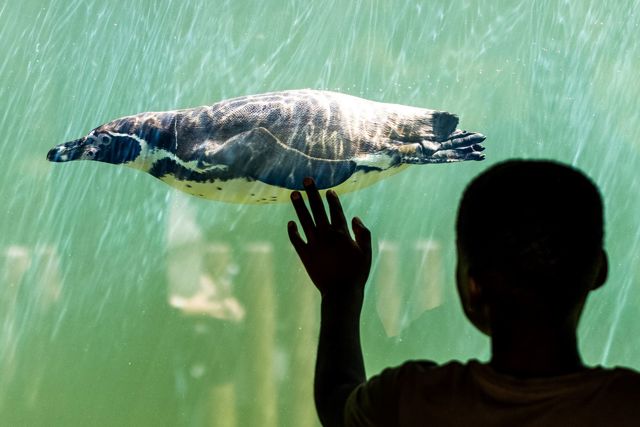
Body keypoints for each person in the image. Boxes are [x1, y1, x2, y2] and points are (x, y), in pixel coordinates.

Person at [287, 160, 640, 427]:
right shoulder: (627, 405)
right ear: (599, 271)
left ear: (472, 285)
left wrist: (341, 292)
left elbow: (337, 404)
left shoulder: (412, 399)